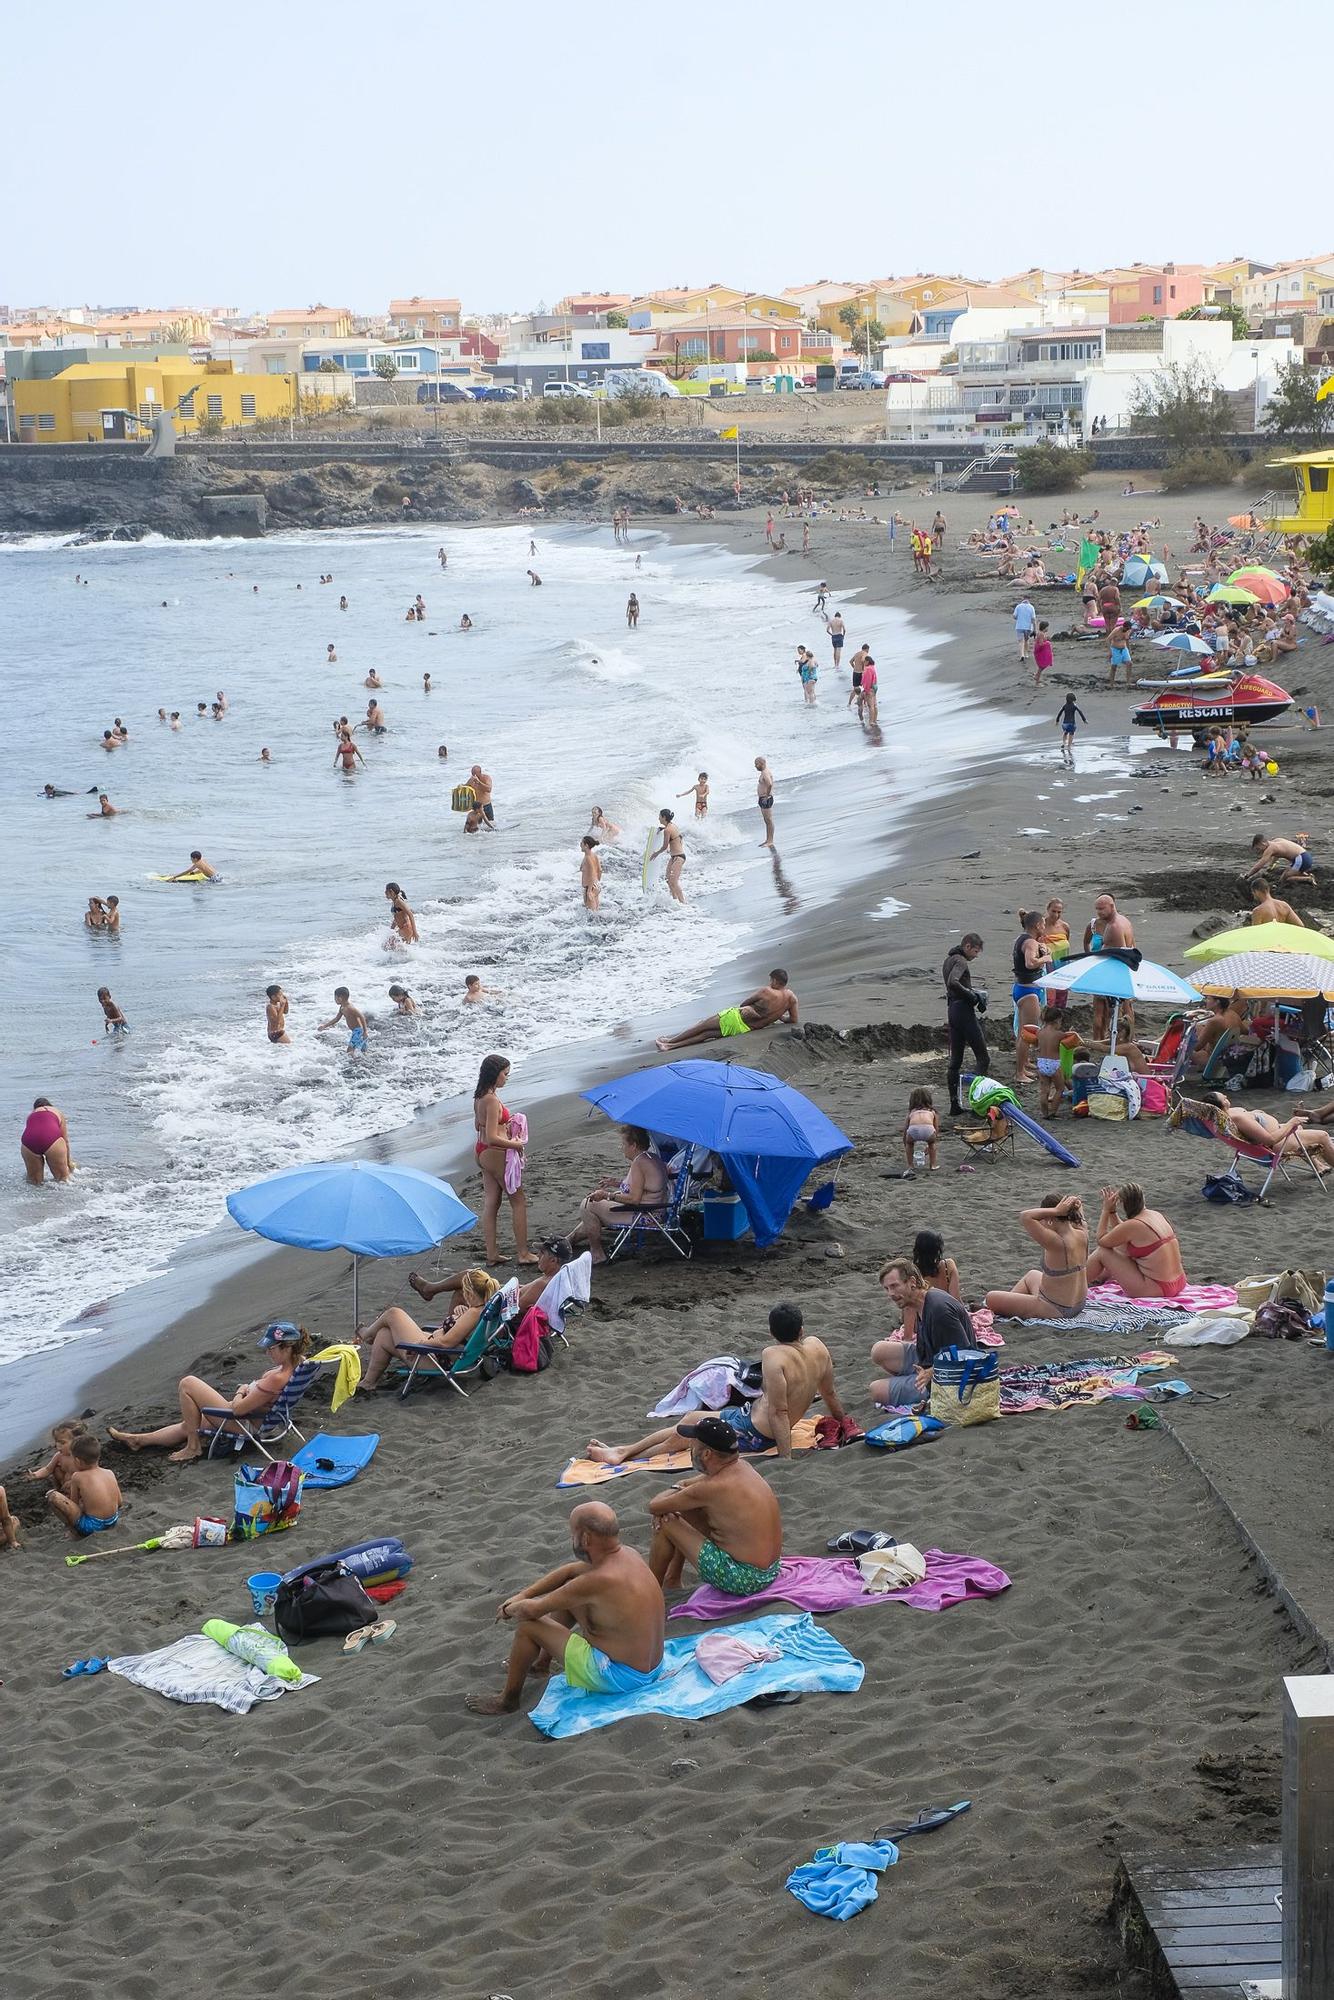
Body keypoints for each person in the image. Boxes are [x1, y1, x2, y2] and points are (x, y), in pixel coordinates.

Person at [465, 1502, 666, 1715]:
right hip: (652, 1668)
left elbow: (532, 1611)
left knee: (528, 1627)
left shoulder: (597, 1580)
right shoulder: (628, 1554)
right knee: (569, 1595)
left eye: (573, 1534)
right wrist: (524, 1594)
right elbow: (569, 1571)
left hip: (620, 1676)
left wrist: (508, 1609)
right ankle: (541, 1664)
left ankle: (507, 1700)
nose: (572, 1539)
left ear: (586, 1538)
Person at [588, 1301, 846, 1464]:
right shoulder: (817, 1347)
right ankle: (622, 1450)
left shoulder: (774, 1355)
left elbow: (779, 1411)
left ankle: (622, 1457)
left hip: (757, 1432)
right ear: (802, 1330)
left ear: (771, 1333)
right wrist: (843, 1422)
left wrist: (785, 1457)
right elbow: (830, 1392)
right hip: (747, 1417)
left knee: (684, 1436)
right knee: (690, 1419)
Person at [110, 1322, 313, 1464]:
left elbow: (237, 1409)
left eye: (271, 1348)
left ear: (286, 1347)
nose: (267, 1352)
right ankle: (138, 1440)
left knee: (187, 1383)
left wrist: (241, 1391)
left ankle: (193, 1447)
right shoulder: (298, 1363)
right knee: (189, 1424)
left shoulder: (277, 1377)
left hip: (244, 1423)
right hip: (258, 1419)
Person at [644, 1415, 784, 1594]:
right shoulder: (742, 1467)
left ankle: (651, 1592)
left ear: (707, 1454)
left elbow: (655, 1506)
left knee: (666, 1520)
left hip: (746, 1579)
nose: (689, 1447)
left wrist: (675, 1490)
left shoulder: (712, 1487)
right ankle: (672, 1579)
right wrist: (681, 1489)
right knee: (683, 1508)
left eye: (692, 1444)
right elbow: (688, 1485)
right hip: (770, 1570)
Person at [355, 1269, 501, 1393]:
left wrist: (422, 1343)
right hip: (444, 1354)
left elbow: (446, 1342)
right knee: (384, 1334)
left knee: (394, 1313)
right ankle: (369, 1382)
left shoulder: (473, 1313)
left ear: (469, 1293)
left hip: (434, 1358)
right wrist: (458, 1315)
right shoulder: (481, 1309)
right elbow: (460, 1334)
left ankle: (367, 1335)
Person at [870, 1256, 976, 1407]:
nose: (890, 1294)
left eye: (894, 1286)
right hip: (932, 1358)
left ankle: (924, 1389)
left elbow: (966, 1355)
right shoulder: (922, 1302)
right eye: (887, 1289)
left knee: (876, 1390)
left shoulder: (939, 1310)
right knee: (879, 1351)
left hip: (952, 1377)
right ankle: (914, 1379)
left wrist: (930, 1373)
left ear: (912, 1282)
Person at [569, 1125, 669, 1264]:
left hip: (644, 1215)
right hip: (655, 1210)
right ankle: (568, 1240)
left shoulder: (639, 1163)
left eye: (623, 1144)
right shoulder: (651, 1157)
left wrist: (607, 1195)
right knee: (593, 1213)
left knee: (587, 1204)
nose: (621, 1148)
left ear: (633, 1145)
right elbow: (642, 1186)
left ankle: (597, 1254)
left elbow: (634, 1199)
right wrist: (615, 1183)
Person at [984, 1195, 1089, 1321]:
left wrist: (1056, 1211)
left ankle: (1005, 1308)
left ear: (1049, 1218)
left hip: (1055, 1308)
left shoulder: (1056, 1241)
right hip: (1079, 1304)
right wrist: (1075, 1205)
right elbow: (1079, 1214)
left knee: (991, 1298)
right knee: (1032, 1275)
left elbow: (1025, 1216)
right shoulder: (1082, 1232)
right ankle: (1010, 1303)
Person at [474, 1053, 535, 1266]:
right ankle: (523, 1253)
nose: (507, 1078)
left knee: (492, 1202)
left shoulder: (479, 1097)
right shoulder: (491, 1100)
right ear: (495, 1074)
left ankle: (492, 1253)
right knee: (518, 1200)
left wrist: (504, 1126)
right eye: (505, 1074)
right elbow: (492, 1137)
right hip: (494, 1152)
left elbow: (479, 1127)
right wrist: (515, 1144)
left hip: (481, 1152)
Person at [654, 969, 799, 1051]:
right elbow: (793, 1020)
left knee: (702, 1025)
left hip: (737, 1017)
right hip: (746, 1028)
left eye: (771, 980)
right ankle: (671, 1046)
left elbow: (744, 1003)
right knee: (706, 1034)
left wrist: (753, 1010)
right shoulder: (791, 999)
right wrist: (779, 1016)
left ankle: (670, 1041)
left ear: (774, 981)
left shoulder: (767, 991)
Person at [1086, 1183, 1187, 1299]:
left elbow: (1101, 1240)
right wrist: (1112, 1213)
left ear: (1123, 1204)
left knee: (1102, 1252)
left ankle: (1077, 1282)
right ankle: (1098, 1279)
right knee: (1121, 1246)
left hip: (1157, 1289)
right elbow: (1122, 1234)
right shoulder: (1156, 1215)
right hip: (1179, 1282)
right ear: (1143, 1199)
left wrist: (1105, 1210)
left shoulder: (1134, 1225)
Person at [1200, 1091, 1334, 1174]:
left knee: (1300, 1130)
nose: (1226, 1096)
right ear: (1221, 1107)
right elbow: (1270, 1140)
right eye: (1223, 1098)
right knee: (1323, 1136)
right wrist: (1291, 1122)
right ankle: (1322, 1160)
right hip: (1277, 1145)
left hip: (1277, 1134)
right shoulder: (1237, 1118)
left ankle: (1319, 1165)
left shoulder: (1219, 1118)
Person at [943, 934, 988, 1117]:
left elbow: (953, 985)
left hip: (952, 1010)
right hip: (963, 1011)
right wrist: (972, 996)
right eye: (975, 951)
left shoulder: (949, 960)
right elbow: (952, 982)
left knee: (955, 1062)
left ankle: (954, 1105)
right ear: (968, 946)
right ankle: (978, 1104)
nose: (975, 956)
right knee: (983, 1059)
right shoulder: (961, 961)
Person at [45, 1434, 121, 1538]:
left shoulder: (77, 1476)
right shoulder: (109, 1472)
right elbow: (120, 1502)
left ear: (77, 1460)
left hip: (93, 1526)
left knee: (52, 1495)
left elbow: (74, 1504)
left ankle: (72, 1530)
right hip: (113, 1520)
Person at [1012, 910, 1053, 1088]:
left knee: (1023, 1032)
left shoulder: (1023, 939)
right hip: (1029, 992)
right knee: (1027, 1034)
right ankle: (1019, 1073)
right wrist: (1045, 958)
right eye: (1043, 924)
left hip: (1021, 988)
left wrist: (1041, 949)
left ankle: (1024, 1064)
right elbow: (1030, 963)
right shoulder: (1030, 942)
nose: (1045, 927)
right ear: (1037, 925)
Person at [21, 1098, 73, 1185]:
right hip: (52, 1138)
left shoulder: (31, 1114)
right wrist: (68, 1163)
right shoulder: (57, 1111)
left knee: (34, 1183)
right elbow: (65, 1140)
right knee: (63, 1180)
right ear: (50, 1105)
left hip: (28, 1142)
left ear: (35, 1108)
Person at [1247, 832, 1316, 885]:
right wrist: (1270, 866)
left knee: (1285, 879)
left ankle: (1308, 879)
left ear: (1263, 844)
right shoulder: (1276, 840)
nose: (1259, 851)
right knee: (1284, 876)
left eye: (1258, 848)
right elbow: (1276, 855)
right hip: (1304, 855)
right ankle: (1305, 875)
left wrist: (1247, 875)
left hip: (1301, 859)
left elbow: (1259, 865)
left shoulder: (1270, 849)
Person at [650, 808, 686, 904]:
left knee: (673, 881)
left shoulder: (667, 830)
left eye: (659, 816)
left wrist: (655, 853)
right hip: (675, 857)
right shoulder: (672, 826)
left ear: (664, 817)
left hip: (679, 857)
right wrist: (661, 828)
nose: (658, 818)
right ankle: (675, 901)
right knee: (668, 879)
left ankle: (683, 903)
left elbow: (665, 846)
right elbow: (678, 836)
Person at [318, 986, 369, 1053]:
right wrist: (324, 1026)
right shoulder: (342, 1008)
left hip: (358, 1031)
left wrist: (365, 1031)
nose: (334, 1000)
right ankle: (364, 1060)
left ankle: (353, 1062)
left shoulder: (350, 1008)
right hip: (355, 1031)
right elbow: (336, 1019)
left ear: (340, 998)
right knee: (363, 1050)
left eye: (335, 998)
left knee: (350, 1051)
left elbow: (361, 1016)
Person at [902, 1086, 940, 1170]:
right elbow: (936, 1128)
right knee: (932, 1144)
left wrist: (905, 1141)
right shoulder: (932, 1111)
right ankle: (933, 1165)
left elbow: (906, 1128)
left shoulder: (912, 1112)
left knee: (910, 1144)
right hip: (928, 1130)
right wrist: (934, 1138)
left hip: (913, 1130)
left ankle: (910, 1165)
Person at [1056, 692, 1086, 766]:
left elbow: (1059, 713)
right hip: (1072, 723)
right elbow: (1080, 712)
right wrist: (1084, 720)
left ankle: (1063, 743)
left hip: (1065, 724)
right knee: (1071, 734)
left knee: (1065, 732)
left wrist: (1057, 720)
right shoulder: (1074, 706)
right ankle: (1069, 746)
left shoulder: (1065, 706)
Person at [755, 756, 775, 847]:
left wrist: (767, 796)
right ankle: (768, 840)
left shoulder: (765, 773)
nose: (755, 766)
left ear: (762, 763)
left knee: (769, 820)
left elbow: (769, 784)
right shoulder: (764, 772)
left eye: (756, 764)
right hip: (763, 798)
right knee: (766, 820)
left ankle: (770, 840)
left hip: (766, 799)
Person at [1107, 620, 1134, 689]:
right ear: (1124, 627)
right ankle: (1111, 684)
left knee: (1129, 663)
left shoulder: (1128, 631)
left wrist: (1129, 649)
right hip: (1115, 649)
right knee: (1114, 666)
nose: (1128, 630)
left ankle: (1128, 682)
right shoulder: (1116, 630)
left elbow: (1127, 640)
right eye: (1127, 628)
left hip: (1124, 648)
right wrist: (1110, 652)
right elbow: (1108, 639)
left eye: (1129, 629)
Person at [579, 835, 602, 911]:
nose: (580, 844)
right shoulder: (594, 855)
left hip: (590, 888)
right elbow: (600, 870)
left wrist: (589, 891)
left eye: (582, 843)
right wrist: (597, 882)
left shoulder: (588, 858)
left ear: (586, 846)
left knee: (592, 914)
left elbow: (592, 873)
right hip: (594, 886)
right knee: (595, 912)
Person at [1014, 596, 1036, 663]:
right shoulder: (1031, 607)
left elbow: (1014, 616)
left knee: (1021, 641)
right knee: (1026, 640)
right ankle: (1026, 654)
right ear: (1028, 600)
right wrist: (1035, 629)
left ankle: (1022, 655)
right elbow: (1033, 619)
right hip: (1028, 627)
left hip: (1019, 626)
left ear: (1022, 600)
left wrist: (1018, 618)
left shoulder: (1018, 606)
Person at [860, 652, 879, 726]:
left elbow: (867, 680)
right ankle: (875, 719)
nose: (863, 662)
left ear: (867, 661)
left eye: (864, 661)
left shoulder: (868, 669)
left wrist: (866, 690)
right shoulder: (872, 667)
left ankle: (871, 721)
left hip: (870, 688)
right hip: (874, 687)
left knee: (870, 706)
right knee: (874, 705)